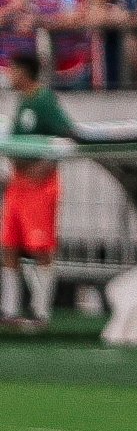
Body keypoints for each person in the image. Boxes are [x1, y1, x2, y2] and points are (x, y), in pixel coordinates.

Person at [2, 53, 75, 327]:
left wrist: (43, 167)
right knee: (9, 246)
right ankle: (9, 310)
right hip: (18, 185)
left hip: (39, 186)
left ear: (25, 72)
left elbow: (66, 134)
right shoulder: (23, 102)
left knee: (41, 248)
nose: (9, 75)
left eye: (13, 70)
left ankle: (41, 311)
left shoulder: (44, 100)